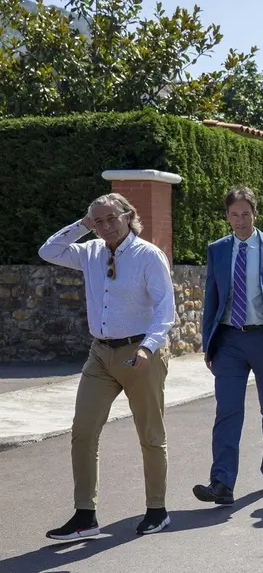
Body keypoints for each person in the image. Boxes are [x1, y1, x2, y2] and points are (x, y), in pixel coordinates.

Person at [38, 194, 175, 539]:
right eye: (98, 221)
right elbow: (48, 251)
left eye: (111, 218)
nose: (106, 226)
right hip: (100, 354)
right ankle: (85, 516)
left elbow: (164, 308)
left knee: (150, 435)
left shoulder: (148, 256)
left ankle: (157, 511)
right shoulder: (90, 253)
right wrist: (83, 224)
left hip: (140, 352)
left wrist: (148, 347)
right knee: (83, 431)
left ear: (128, 216)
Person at [193, 187, 263, 505]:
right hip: (228, 339)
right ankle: (222, 483)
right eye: (233, 214)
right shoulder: (217, 250)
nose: (239, 221)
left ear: (255, 214)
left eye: (245, 214)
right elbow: (211, 299)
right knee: (227, 410)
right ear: (226, 216)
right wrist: (208, 345)